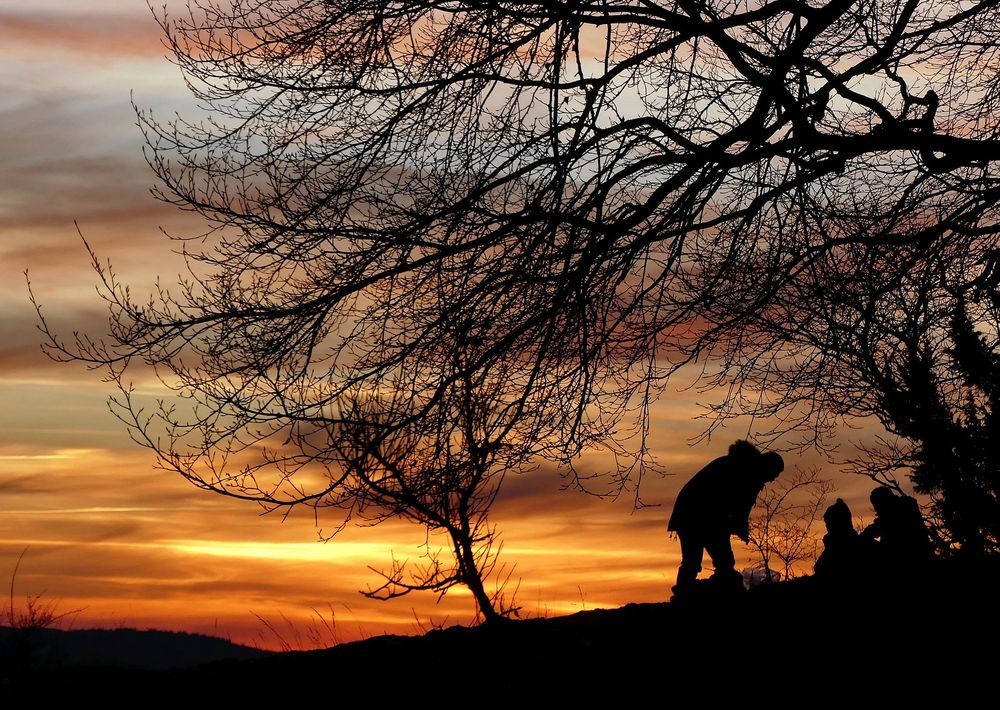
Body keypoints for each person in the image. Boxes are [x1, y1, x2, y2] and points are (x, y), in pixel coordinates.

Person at [668, 440, 784, 594]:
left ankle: (685, 594)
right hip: (700, 516)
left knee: (696, 562)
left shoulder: (735, 466)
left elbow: (737, 508)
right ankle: (712, 594)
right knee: (717, 561)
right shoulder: (746, 474)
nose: (772, 480)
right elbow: (737, 506)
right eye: (774, 474)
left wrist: (737, 526)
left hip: (694, 515)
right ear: (767, 467)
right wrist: (738, 527)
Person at [861, 486, 933, 566]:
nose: (876, 510)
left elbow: (875, 529)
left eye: (877, 506)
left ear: (882, 503)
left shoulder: (898, 512)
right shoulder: (905, 507)